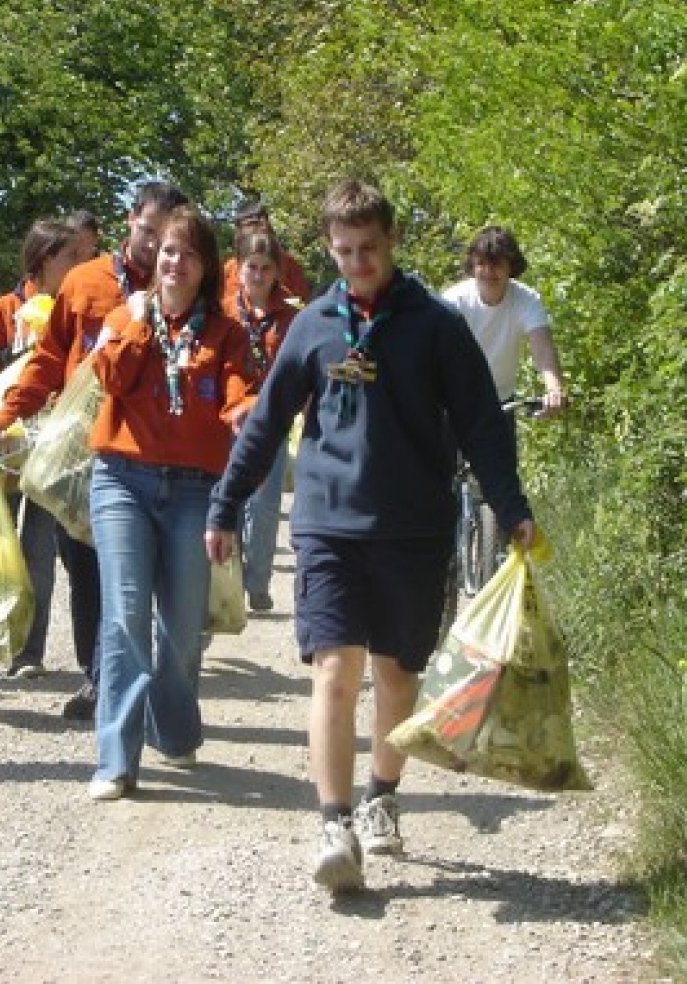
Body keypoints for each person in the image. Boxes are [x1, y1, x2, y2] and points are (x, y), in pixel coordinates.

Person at [205, 180, 534, 894]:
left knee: (395, 673)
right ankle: (335, 821)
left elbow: (481, 422)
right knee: (334, 667)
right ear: (328, 246)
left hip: (413, 526)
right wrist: (226, 503)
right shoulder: (315, 323)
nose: (358, 264)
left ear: (391, 242)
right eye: (345, 250)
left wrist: (511, 509)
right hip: (327, 523)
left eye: (371, 250)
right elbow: (265, 423)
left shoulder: (434, 324)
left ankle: (383, 793)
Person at [0, 182, 189, 721]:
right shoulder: (85, 281)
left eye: (167, 237)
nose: (154, 248)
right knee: (85, 566)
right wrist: (8, 413)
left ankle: (129, 681)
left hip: (159, 452)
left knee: (143, 572)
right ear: (130, 221)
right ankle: (99, 675)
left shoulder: (188, 284)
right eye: (148, 233)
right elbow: (49, 360)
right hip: (83, 451)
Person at [87, 205, 254, 800]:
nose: (174, 261)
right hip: (121, 482)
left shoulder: (226, 333)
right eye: (166, 251)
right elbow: (108, 377)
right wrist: (135, 322)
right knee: (125, 616)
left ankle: (175, 731)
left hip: (193, 489)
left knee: (182, 631)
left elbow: (240, 395)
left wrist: (244, 413)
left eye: (187, 252)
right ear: (153, 261)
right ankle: (115, 759)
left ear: (206, 266)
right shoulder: (123, 316)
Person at [0, 219, 95, 677]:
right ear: (45, 260)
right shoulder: (7, 306)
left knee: (39, 548)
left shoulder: (79, 305)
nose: (81, 265)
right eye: (71, 257)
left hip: (56, 445)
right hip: (8, 442)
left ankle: (31, 650)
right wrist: (22, 352)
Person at [222, 224, 299, 616]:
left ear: (276, 272)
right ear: (238, 267)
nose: (258, 274)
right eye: (251, 266)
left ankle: (258, 581)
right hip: (228, 419)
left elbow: (292, 370)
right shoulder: (222, 311)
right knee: (228, 502)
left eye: (266, 268)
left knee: (265, 504)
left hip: (270, 420)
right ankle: (228, 579)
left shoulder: (289, 317)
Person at [441, 225, 567, 414]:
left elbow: (542, 348)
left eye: (496, 264)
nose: (488, 272)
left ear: (511, 266)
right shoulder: (453, 301)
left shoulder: (527, 300)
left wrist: (554, 389)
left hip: (500, 404)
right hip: (452, 404)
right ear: (472, 266)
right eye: (481, 264)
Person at [222, 197, 313, 303]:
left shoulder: (289, 264)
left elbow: (302, 303)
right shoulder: (229, 268)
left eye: (258, 225)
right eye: (248, 226)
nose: (254, 231)